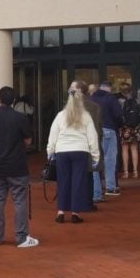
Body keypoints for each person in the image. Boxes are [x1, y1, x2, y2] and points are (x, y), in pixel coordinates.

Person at [0, 86, 39, 248]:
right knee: (20, 201)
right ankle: (21, 237)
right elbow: (28, 140)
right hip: (17, 165)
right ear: (14, 100)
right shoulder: (20, 118)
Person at [46, 83, 101, 224]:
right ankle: (75, 212)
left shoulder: (60, 115)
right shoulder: (86, 116)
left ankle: (61, 211)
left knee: (63, 181)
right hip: (80, 150)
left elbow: (53, 134)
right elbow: (92, 137)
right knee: (78, 181)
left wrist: (50, 151)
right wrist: (95, 155)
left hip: (62, 151)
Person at [91, 81, 123, 196]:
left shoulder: (91, 98)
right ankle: (110, 187)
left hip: (94, 132)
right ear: (109, 88)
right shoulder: (111, 98)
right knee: (110, 160)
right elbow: (118, 114)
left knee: (95, 160)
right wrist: (119, 125)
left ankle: (96, 189)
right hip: (109, 129)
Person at [118, 83, 140, 179]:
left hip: (125, 128)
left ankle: (126, 172)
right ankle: (135, 172)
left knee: (124, 149)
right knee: (134, 149)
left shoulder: (120, 101)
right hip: (135, 128)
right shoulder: (135, 101)